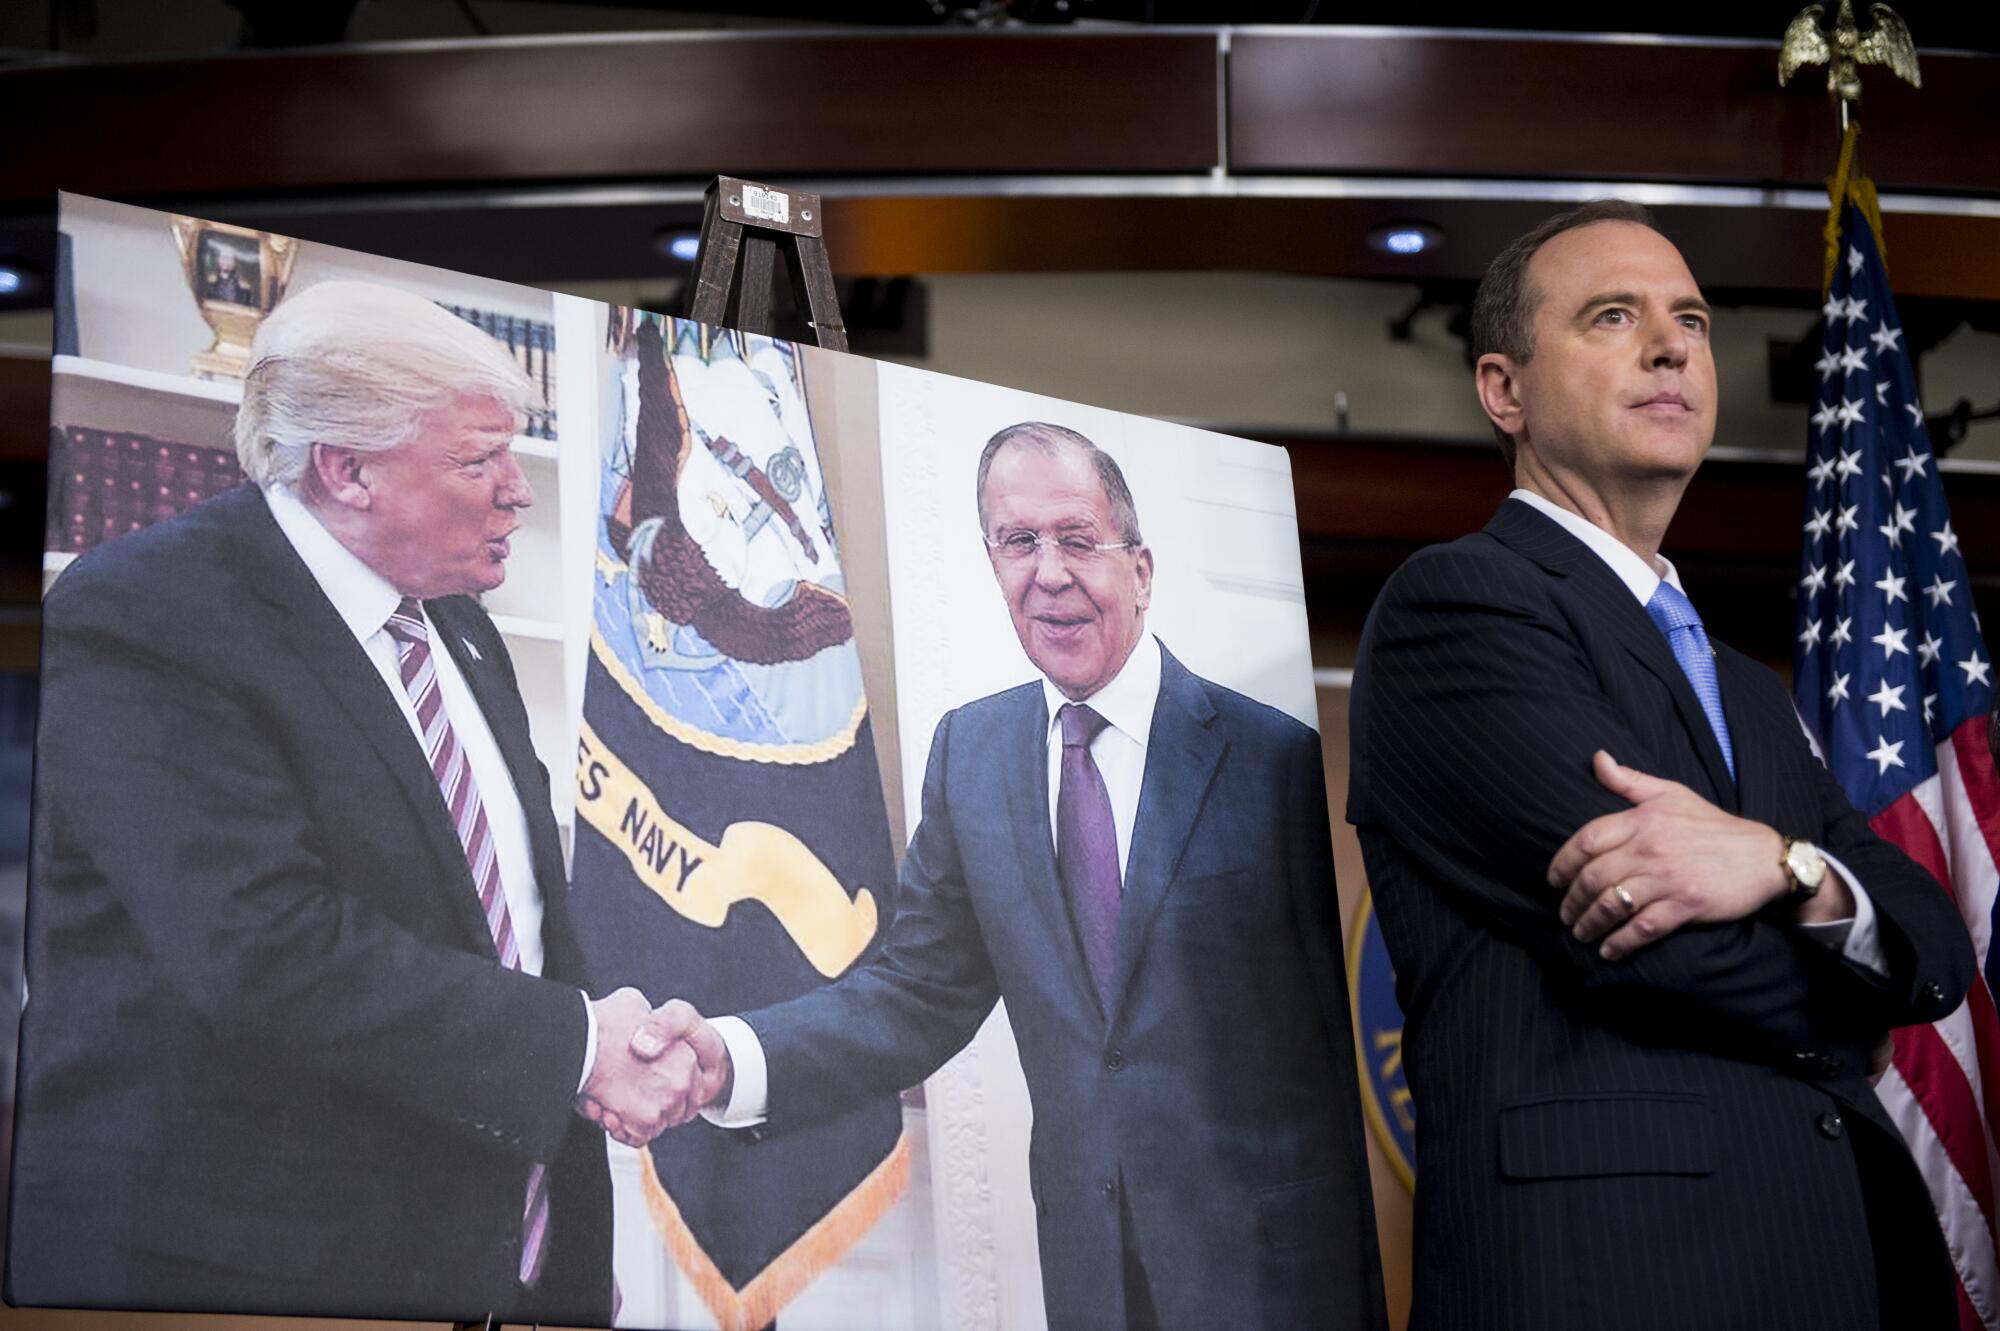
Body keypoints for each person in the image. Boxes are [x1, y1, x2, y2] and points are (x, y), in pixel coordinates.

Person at [7, 281, 713, 1325]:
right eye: (478, 460)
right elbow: (264, 948)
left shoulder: (459, 628)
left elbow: (504, 919)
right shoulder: (141, 616)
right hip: (246, 1269)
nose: (516, 493)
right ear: (346, 470)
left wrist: (561, 1233)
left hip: (493, 1258)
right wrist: (578, 1045)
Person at [1347, 201, 1975, 1331]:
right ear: (1504, 389)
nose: (1671, 344)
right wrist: (1855, 1010)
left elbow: (1932, 937)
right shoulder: (1460, 606)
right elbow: (1662, 953)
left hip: (1836, 1272)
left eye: (1687, 318)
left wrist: (1786, 865)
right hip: (1613, 1279)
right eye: (1610, 316)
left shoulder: (1741, 682)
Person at [669, 422, 1386, 1331]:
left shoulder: (1272, 759)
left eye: (1078, 539)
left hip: (1276, 1277)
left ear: (1142, 567)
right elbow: (913, 996)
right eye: (1018, 542)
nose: (1048, 572)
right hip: (1093, 1281)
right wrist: (733, 1054)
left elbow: (1335, 1043)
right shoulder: (973, 754)